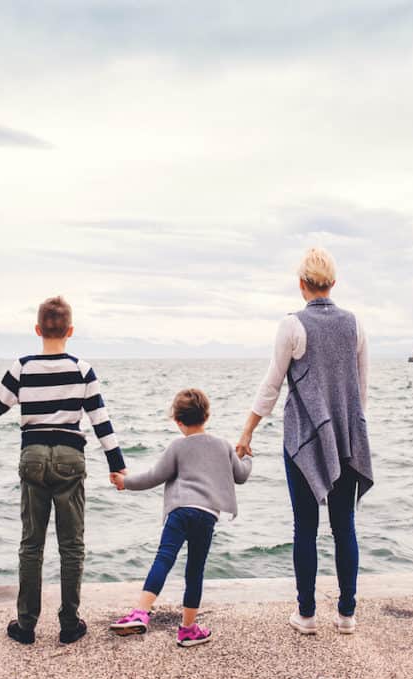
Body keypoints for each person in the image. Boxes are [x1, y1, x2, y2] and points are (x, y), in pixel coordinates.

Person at [0, 296, 126, 645]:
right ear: (70, 331)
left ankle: (26, 625)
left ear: (37, 330)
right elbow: (102, 423)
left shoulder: (22, 367)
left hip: (33, 457)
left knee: (31, 544)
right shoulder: (82, 369)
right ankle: (69, 623)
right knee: (71, 546)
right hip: (71, 458)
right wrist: (117, 467)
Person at [235, 246, 373, 636]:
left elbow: (272, 385)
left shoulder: (292, 325)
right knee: (344, 526)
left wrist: (246, 433)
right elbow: (360, 394)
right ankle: (347, 615)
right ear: (332, 283)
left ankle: (307, 615)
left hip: (303, 439)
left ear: (301, 285)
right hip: (346, 438)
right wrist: (347, 434)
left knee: (305, 528)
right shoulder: (356, 325)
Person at [109, 388, 252, 647]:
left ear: (177, 420)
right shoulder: (222, 445)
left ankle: (141, 612)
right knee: (195, 570)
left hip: (180, 511)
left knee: (164, 558)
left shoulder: (177, 446)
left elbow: (153, 476)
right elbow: (241, 475)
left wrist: (124, 482)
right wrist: (246, 457)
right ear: (206, 415)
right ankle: (188, 630)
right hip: (207, 515)